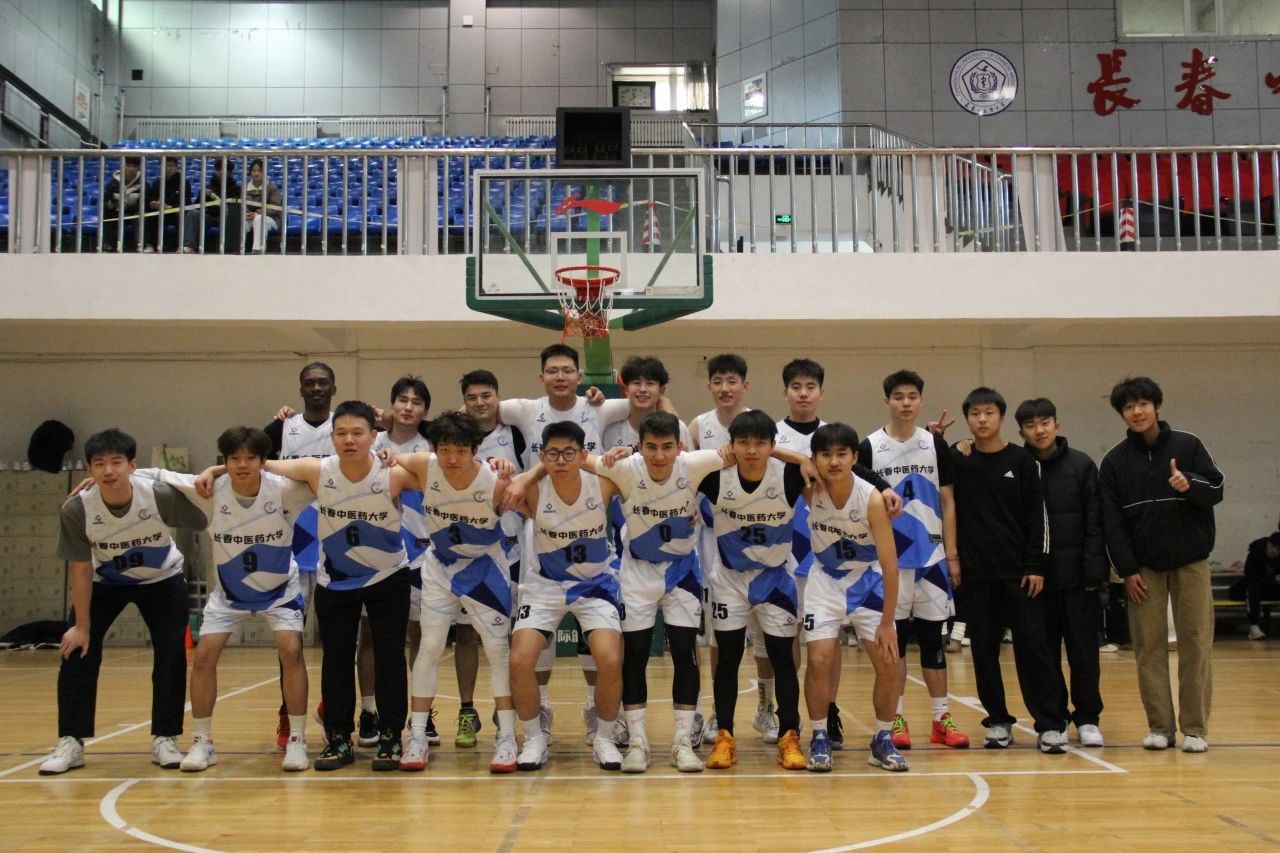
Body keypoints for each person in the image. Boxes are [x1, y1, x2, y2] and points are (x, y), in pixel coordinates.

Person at [208, 400, 417, 771]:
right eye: (341, 433)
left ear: (374, 436)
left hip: (388, 576)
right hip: (336, 580)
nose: (349, 440)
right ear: (332, 438)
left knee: (389, 657)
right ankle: (338, 737)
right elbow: (258, 464)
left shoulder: (393, 472)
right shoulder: (317, 470)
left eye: (357, 433)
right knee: (335, 659)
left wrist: (494, 466)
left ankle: (390, 737)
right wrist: (214, 469)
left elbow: (442, 472)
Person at [133, 427, 315, 772]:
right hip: (229, 594)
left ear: (263, 460)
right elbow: (156, 475)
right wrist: (99, 483)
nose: (242, 465)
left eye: (250, 458)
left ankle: (297, 739)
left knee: (291, 650)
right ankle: (202, 742)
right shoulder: (209, 490)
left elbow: (327, 475)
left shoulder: (285, 491)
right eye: (234, 458)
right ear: (225, 461)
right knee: (203, 656)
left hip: (279, 590)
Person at [39, 429, 208, 775]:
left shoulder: (158, 495)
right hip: (106, 581)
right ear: (89, 469)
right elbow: (81, 569)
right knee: (77, 648)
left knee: (171, 653)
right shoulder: (77, 508)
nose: (108, 471)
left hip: (162, 578)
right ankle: (71, 740)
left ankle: (165, 737)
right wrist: (81, 626)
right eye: (99, 464)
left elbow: (205, 514)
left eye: (116, 462)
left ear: (132, 465)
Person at [498, 344, 629, 744]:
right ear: (541, 376)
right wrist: (521, 473)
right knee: (526, 652)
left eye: (567, 370)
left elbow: (649, 402)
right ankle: (536, 723)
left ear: (579, 376)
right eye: (552, 370)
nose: (559, 376)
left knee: (606, 654)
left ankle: (601, 724)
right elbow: (478, 408)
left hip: (593, 569)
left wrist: (616, 453)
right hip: (544, 559)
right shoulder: (526, 413)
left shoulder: (598, 420)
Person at [590, 412, 726, 772]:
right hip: (637, 573)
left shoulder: (693, 464)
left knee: (685, 654)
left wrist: (802, 461)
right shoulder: (625, 468)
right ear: (639, 446)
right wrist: (606, 456)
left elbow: (743, 451)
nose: (660, 456)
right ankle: (638, 742)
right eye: (651, 447)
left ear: (680, 447)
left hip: (682, 573)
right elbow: (576, 458)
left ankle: (682, 742)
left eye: (667, 447)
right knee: (635, 657)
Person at [1099, 376, 1224, 753]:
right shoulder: (1115, 461)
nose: (1137, 412)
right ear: (1122, 414)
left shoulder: (1189, 445)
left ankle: (1195, 728)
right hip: (1144, 570)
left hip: (1191, 563)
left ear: (1157, 406)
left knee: (1195, 644)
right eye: (1129, 406)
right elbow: (1112, 523)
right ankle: (1160, 727)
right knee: (1148, 648)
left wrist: (1191, 484)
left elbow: (1216, 489)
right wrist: (1127, 570)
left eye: (1143, 404)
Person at [398, 412, 519, 773]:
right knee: (430, 647)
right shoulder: (424, 465)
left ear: (475, 450)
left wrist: (510, 469)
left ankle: (507, 737)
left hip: (485, 567)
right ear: (434, 448)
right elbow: (388, 460)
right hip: (440, 565)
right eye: (445, 450)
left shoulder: (495, 479)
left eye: (461, 450)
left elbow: (532, 494)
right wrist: (385, 454)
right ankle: (417, 736)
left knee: (497, 650)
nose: (452, 458)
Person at [950, 387, 1065, 753]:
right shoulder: (960, 459)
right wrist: (945, 440)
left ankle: (1050, 724)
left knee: (1034, 649)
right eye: (975, 414)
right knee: (983, 652)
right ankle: (998, 721)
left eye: (989, 413)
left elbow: (1038, 517)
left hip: (1020, 575)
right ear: (968, 419)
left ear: (1001, 417)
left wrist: (1036, 565)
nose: (982, 419)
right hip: (976, 576)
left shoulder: (1023, 461)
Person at [505, 421, 625, 771]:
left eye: (569, 453)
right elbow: (494, 484)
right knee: (520, 660)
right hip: (545, 585)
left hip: (595, 585)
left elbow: (646, 471)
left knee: (609, 659)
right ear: (542, 457)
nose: (561, 461)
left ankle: (604, 737)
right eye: (553, 454)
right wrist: (518, 472)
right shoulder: (532, 489)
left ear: (583, 454)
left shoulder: (603, 482)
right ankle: (534, 738)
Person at [860, 370, 969, 752]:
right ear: (886, 401)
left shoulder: (934, 444)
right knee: (895, 643)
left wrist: (952, 555)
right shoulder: (869, 447)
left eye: (912, 396)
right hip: (889, 562)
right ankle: (897, 719)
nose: (905, 403)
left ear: (920, 401)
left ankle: (941, 719)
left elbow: (948, 501)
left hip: (932, 559)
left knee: (933, 642)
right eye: (898, 396)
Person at [700, 410, 815, 771]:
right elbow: (674, 461)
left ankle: (789, 735)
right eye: (743, 443)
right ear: (731, 444)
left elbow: (823, 465)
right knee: (728, 659)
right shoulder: (715, 476)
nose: (751, 450)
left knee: (783, 661)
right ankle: (725, 735)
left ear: (772, 445)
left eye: (760, 443)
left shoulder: (791, 476)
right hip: (729, 580)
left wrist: (793, 456)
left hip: (774, 578)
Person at [802, 423, 906, 773]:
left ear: (855, 457)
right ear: (815, 459)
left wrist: (888, 623)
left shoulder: (872, 498)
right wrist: (800, 461)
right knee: (819, 659)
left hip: (867, 582)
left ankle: (883, 739)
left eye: (841, 454)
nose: (834, 461)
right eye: (825, 454)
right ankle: (819, 736)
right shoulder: (810, 488)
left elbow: (890, 566)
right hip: (825, 581)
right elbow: (775, 455)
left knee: (890, 661)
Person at [688, 353, 773, 743]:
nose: (725, 388)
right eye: (718, 381)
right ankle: (717, 713)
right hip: (713, 538)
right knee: (719, 634)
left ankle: (766, 707)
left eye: (732, 381)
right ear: (709, 386)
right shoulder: (698, 426)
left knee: (764, 629)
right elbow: (687, 474)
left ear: (745, 385)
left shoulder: (760, 423)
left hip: (757, 537)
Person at [1014, 398, 1109, 747]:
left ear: (1057, 424)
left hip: (1077, 579)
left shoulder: (1082, 465)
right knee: (1040, 654)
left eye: (1045, 423)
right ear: (1021, 431)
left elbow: (1096, 522)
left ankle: (1088, 718)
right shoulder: (1018, 465)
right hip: (1034, 580)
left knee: (1084, 653)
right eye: (1030, 425)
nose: (1039, 430)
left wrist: (1094, 573)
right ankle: (1051, 721)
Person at [263, 362, 335, 749]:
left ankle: (330, 706)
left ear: (334, 388)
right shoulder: (282, 428)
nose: (316, 388)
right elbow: (248, 459)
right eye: (310, 383)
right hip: (293, 541)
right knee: (290, 639)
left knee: (336, 637)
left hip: (336, 540)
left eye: (323, 382)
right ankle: (286, 711)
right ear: (301, 389)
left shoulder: (346, 425)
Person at [454, 369, 527, 747]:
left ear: (498, 397)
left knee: (510, 635)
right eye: (472, 397)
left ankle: (506, 713)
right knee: (466, 634)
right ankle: (467, 711)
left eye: (486, 395)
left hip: (511, 549)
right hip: (467, 552)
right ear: (463, 402)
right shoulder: (454, 439)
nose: (480, 403)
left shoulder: (516, 434)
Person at [372, 376, 434, 743]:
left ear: (425, 410)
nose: (408, 407)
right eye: (402, 400)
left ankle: (421, 716)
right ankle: (370, 711)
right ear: (391, 404)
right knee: (373, 638)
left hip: (421, 553)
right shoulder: (371, 441)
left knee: (419, 635)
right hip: (377, 549)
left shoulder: (432, 446)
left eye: (416, 402)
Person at [182, 158, 242, 254]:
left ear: (230, 172)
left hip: (227, 219)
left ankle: (227, 247)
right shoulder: (208, 187)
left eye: (225, 170)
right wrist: (203, 196)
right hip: (209, 217)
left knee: (227, 211)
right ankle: (188, 246)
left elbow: (235, 208)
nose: (221, 172)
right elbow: (197, 206)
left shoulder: (236, 189)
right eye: (219, 169)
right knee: (192, 213)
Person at [143, 156, 194, 253]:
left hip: (177, 212)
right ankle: (150, 244)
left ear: (176, 168)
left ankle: (182, 245)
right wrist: (153, 204)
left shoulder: (184, 182)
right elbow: (151, 198)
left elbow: (187, 202)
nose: (168, 168)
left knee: (183, 216)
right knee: (150, 215)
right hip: (161, 212)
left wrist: (170, 207)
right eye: (166, 165)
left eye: (171, 166)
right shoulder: (157, 182)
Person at [1234, 532, 1280, 639]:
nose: (1274, 551)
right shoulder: (1256, 552)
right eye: (1272, 547)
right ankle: (1254, 626)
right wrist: (1273, 579)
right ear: (1268, 544)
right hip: (1254, 586)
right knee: (1252, 589)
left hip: (1272, 588)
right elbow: (1250, 576)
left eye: (1278, 549)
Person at [101, 156, 143, 252]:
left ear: (138, 168)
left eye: (134, 166)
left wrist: (127, 207)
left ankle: (140, 245)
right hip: (115, 212)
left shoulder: (143, 185)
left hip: (134, 213)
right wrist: (109, 205)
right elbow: (106, 200)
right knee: (106, 213)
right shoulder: (112, 184)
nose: (131, 169)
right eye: (128, 165)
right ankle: (106, 245)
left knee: (140, 216)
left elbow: (144, 204)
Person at [244, 158, 282, 252]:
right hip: (250, 217)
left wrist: (258, 213)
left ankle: (258, 250)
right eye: (253, 171)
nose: (256, 173)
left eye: (259, 171)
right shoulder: (244, 188)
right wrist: (246, 213)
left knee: (259, 219)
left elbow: (275, 207)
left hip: (271, 218)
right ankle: (239, 249)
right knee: (241, 220)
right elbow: (242, 205)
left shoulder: (272, 187)